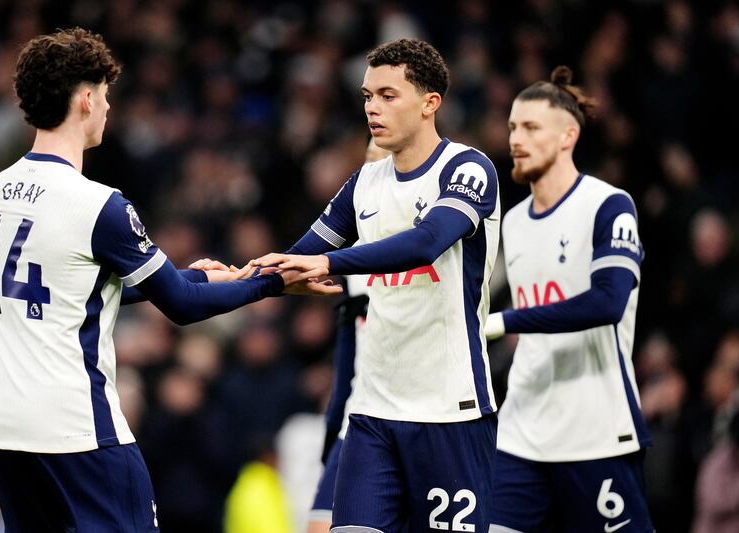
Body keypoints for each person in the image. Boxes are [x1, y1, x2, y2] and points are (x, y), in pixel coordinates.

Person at [0, 28, 339, 533]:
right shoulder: (98, 204)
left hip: (4, 425)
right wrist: (272, 283)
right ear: (85, 99)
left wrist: (188, 275)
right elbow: (183, 307)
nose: (107, 108)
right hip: (75, 426)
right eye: (104, 96)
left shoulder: (0, 189)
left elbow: (72, 292)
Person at [253, 38, 501, 532]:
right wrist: (230, 277)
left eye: (388, 95)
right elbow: (295, 262)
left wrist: (328, 263)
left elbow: (425, 242)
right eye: (367, 96)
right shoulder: (363, 183)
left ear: (431, 102)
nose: (372, 107)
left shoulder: (467, 169)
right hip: (372, 414)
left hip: (449, 411)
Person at [484, 66, 655, 532]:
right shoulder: (513, 222)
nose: (516, 138)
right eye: (513, 127)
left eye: (531, 127)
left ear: (567, 136)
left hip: (594, 430)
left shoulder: (609, 206)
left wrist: (504, 321)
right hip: (523, 430)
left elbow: (607, 302)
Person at [307, 139, 388, 533]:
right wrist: (331, 429)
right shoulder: (353, 263)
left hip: (426, 419)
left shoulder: (440, 245)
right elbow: (348, 358)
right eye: (367, 159)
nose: (371, 170)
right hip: (360, 418)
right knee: (320, 526)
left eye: (383, 161)